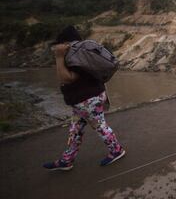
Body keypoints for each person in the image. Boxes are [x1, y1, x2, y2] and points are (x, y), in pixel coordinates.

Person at [43, 26, 125, 171]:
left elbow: (67, 78)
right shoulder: (83, 53)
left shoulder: (75, 56)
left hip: (88, 100)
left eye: (60, 44)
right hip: (85, 100)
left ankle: (117, 150)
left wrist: (59, 57)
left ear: (66, 43)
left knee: (100, 126)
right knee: (75, 130)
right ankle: (66, 160)